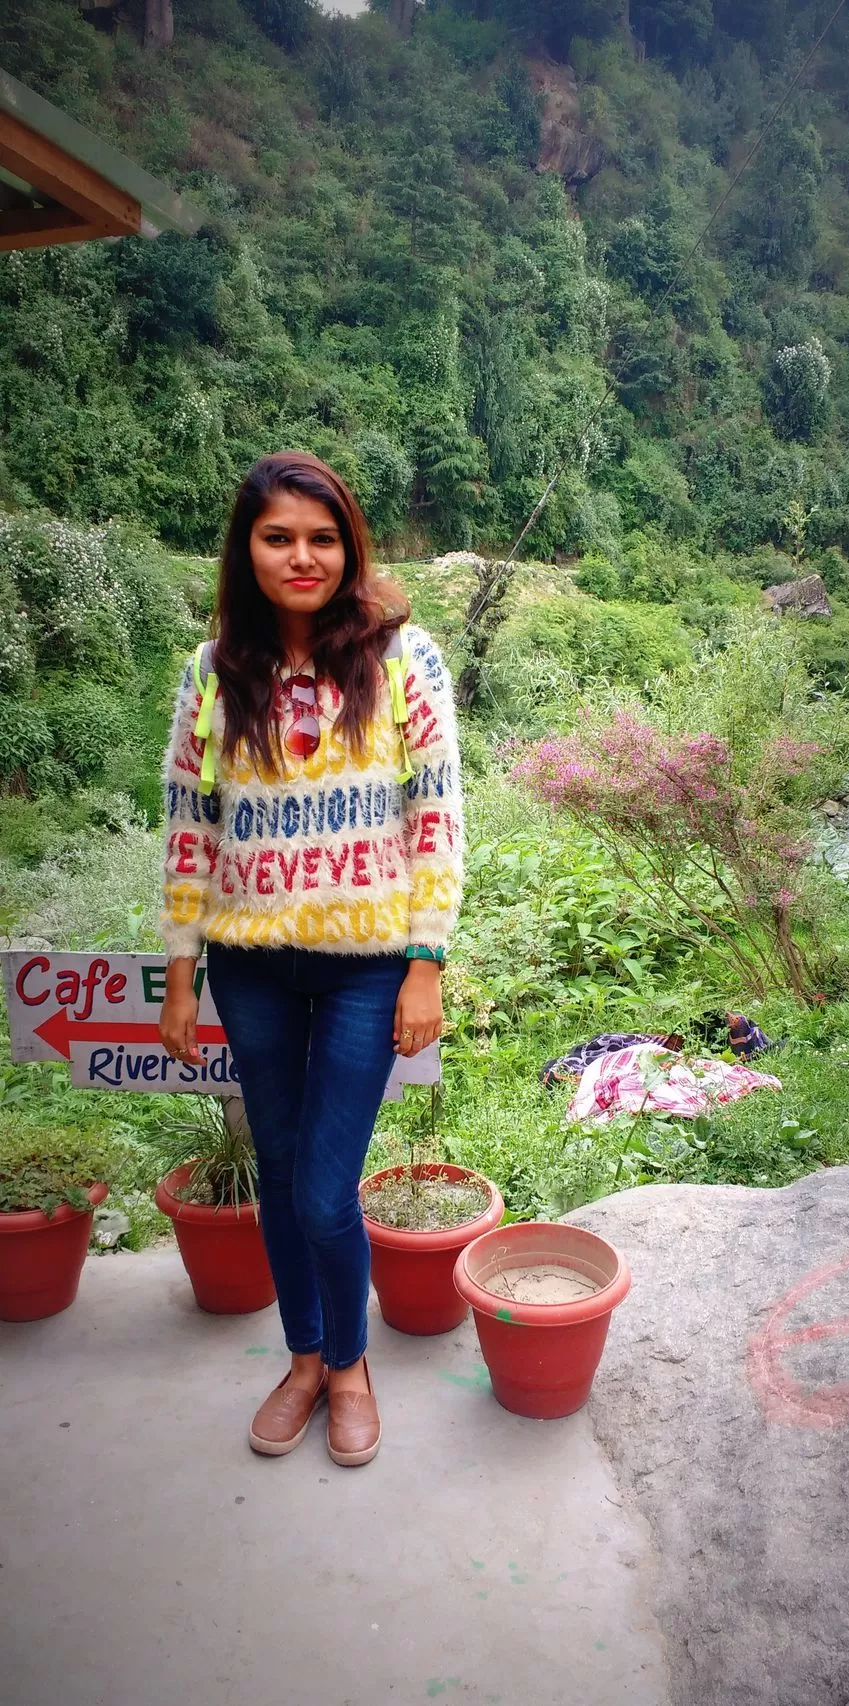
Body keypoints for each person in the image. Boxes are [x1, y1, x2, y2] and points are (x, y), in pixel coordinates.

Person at [158, 452, 463, 1467]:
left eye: (322, 537)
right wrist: (180, 973)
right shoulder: (212, 673)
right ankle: (304, 1358)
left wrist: (426, 961)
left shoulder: (405, 659)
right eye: (277, 536)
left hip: (365, 965)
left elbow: (437, 817)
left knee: (327, 1190)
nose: (302, 556)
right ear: (245, 551)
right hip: (249, 966)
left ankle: (352, 1365)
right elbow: (188, 825)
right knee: (283, 1175)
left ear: (350, 545)